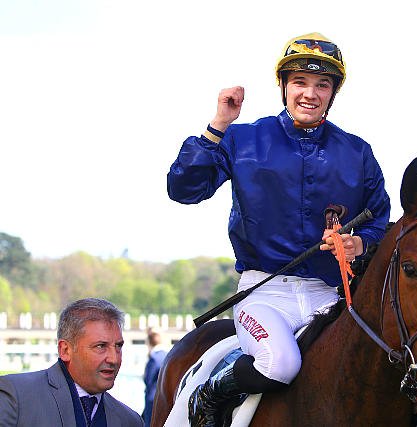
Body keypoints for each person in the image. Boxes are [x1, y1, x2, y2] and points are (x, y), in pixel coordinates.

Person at [167, 32, 391, 426]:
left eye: (322, 84)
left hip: (330, 297)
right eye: (300, 82)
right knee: (280, 363)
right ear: (284, 86)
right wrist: (219, 124)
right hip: (264, 295)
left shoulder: (358, 152)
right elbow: (183, 189)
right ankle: (209, 395)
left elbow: (380, 222)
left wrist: (359, 243)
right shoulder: (242, 138)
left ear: (333, 93)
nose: (310, 93)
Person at [0, 298, 143, 426]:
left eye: (118, 346)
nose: (114, 359)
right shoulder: (15, 397)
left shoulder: (130, 421)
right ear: (65, 350)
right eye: (101, 346)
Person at [142, 327, 168, 426]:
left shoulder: (154, 358)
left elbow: (148, 380)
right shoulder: (167, 355)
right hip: (165, 399)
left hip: (152, 399)